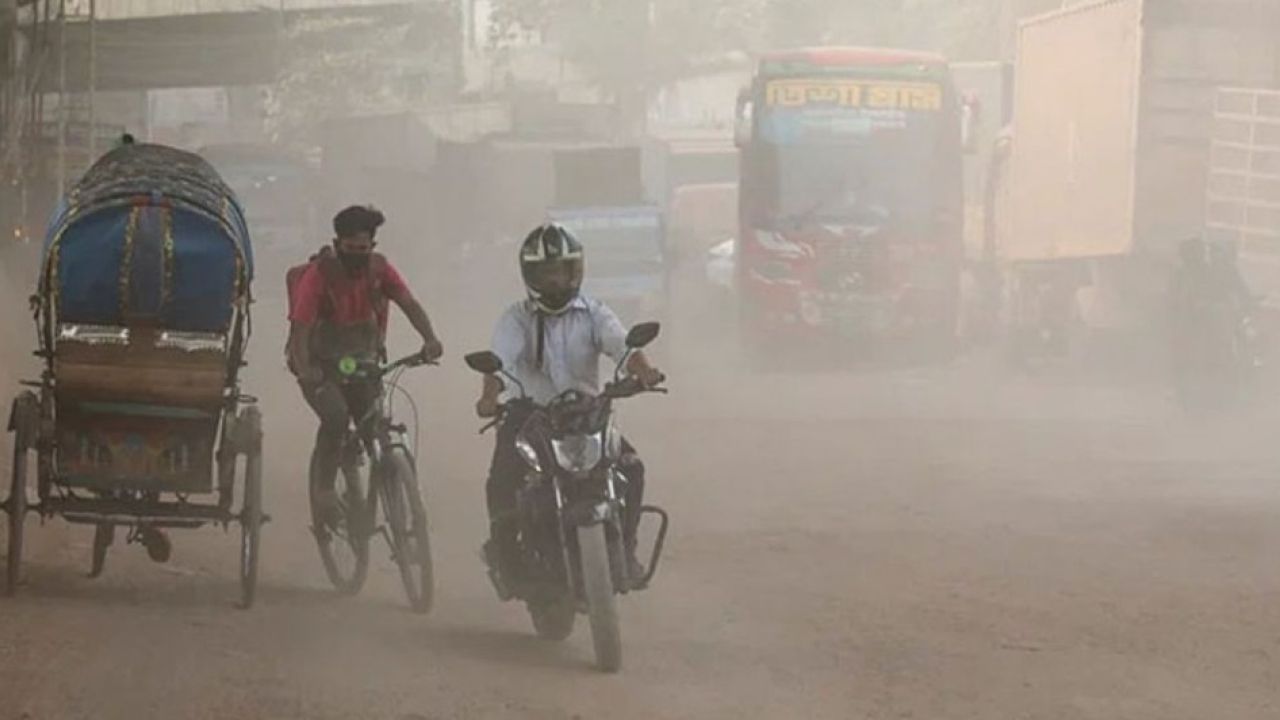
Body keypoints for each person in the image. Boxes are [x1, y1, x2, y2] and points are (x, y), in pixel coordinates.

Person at [475, 223, 664, 588]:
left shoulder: (594, 312)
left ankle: (625, 549)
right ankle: (506, 556)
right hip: (529, 416)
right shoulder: (516, 318)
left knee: (632, 468)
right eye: (546, 272)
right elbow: (500, 363)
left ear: (575, 270)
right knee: (502, 479)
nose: (555, 280)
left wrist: (646, 373)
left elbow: (623, 347)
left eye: (561, 271)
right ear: (531, 275)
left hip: (586, 415)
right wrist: (488, 396)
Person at [288, 205, 443, 517]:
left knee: (372, 422)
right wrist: (306, 370)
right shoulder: (320, 276)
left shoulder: (380, 270)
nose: (357, 255)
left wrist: (430, 339)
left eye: (363, 249)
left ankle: (383, 481)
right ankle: (325, 489)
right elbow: (300, 329)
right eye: (349, 249)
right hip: (320, 366)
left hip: (364, 364)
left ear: (372, 246)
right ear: (336, 245)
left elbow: (409, 304)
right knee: (335, 417)